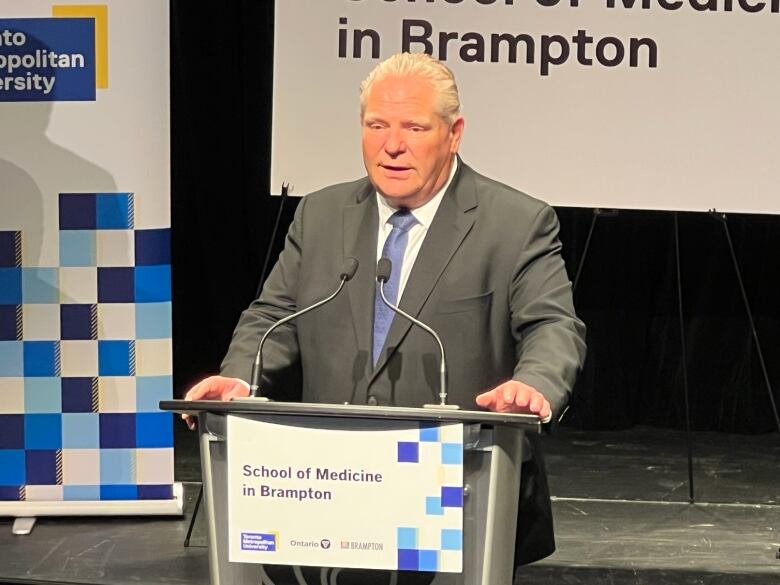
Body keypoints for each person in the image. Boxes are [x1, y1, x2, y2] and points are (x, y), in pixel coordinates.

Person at [185, 52, 586, 579]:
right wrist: (239, 377)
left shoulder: (514, 222)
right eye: (377, 125)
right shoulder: (322, 214)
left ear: (454, 133)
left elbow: (553, 325)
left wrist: (533, 385)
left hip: (460, 495)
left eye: (414, 127)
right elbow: (274, 314)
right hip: (328, 494)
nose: (391, 145)